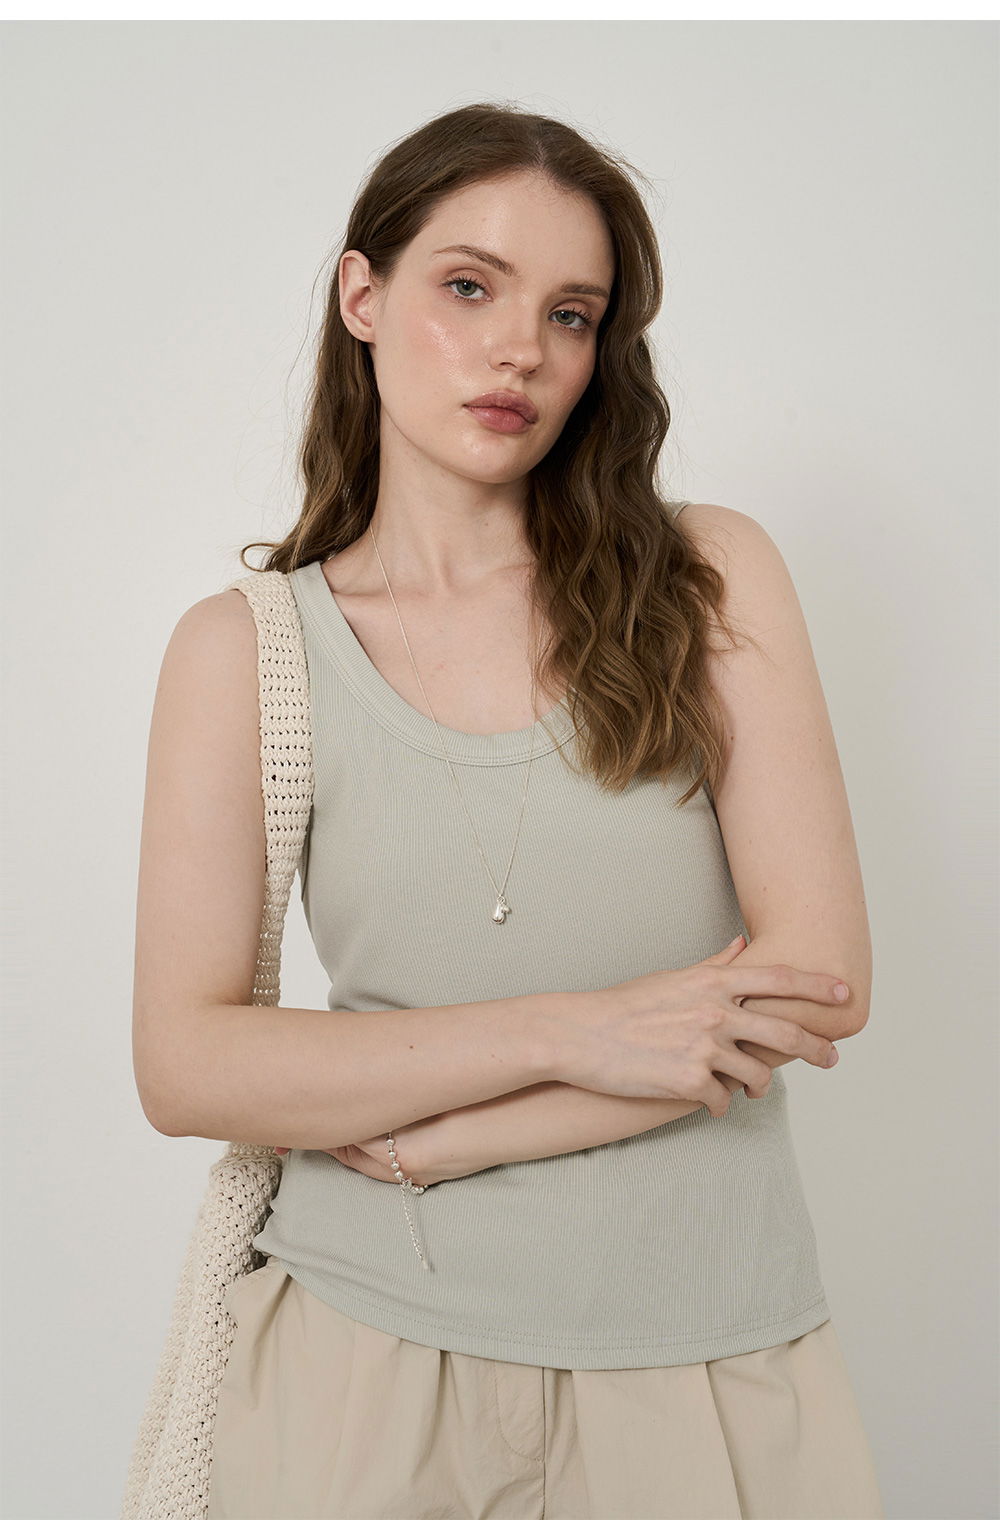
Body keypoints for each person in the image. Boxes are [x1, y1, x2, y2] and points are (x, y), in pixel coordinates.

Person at [132, 102, 885, 1519]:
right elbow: (186, 1063)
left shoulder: (709, 580)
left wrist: (460, 1137)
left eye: (571, 313)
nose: (521, 350)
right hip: (359, 1367)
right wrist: (572, 1031)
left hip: (708, 1355)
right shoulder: (249, 652)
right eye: (469, 287)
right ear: (363, 296)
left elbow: (816, 985)